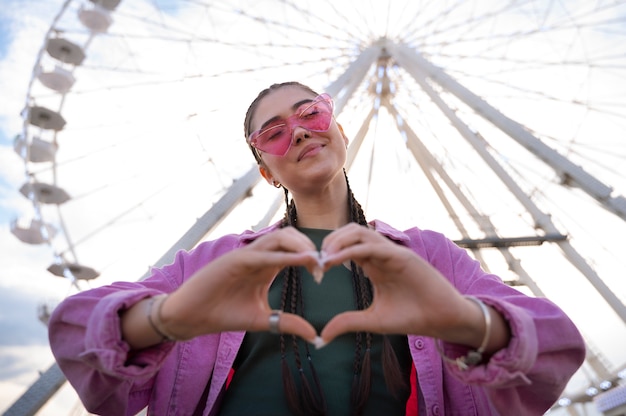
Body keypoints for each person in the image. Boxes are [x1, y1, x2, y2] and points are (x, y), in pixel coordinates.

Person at [48, 81, 586, 416]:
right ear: (266, 171)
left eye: (311, 115)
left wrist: (469, 322)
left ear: (340, 129)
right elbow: (77, 332)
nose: (300, 134)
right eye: (275, 133)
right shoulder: (216, 265)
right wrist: (165, 317)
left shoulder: (427, 257)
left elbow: (556, 346)